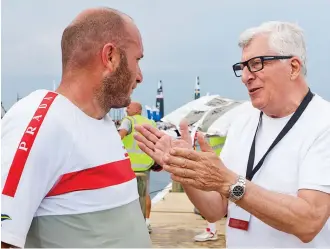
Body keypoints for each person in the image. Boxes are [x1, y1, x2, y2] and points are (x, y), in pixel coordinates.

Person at [133, 21, 330, 248]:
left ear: (293, 67)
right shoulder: (243, 118)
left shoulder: (323, 123)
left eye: (256, 64)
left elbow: (309, 222)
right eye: (243, 67)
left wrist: (229, 182)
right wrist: (182, 169)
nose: (245, 76)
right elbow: (216, 209)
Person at [1, 7, 152, 248]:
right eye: (138, 60)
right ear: (111, 56)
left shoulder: (102, 124)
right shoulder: (42, 122)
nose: (140, 76)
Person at [118, 101, 158, 233]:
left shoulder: (128, 120)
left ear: (137, 110)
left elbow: (120, 136)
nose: (126, 108)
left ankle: (130, 223)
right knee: (145, 194)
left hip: (129, 165)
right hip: (146, 164)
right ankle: (147, 222)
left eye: (129, 107)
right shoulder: (151, 123)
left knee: (127, 195)